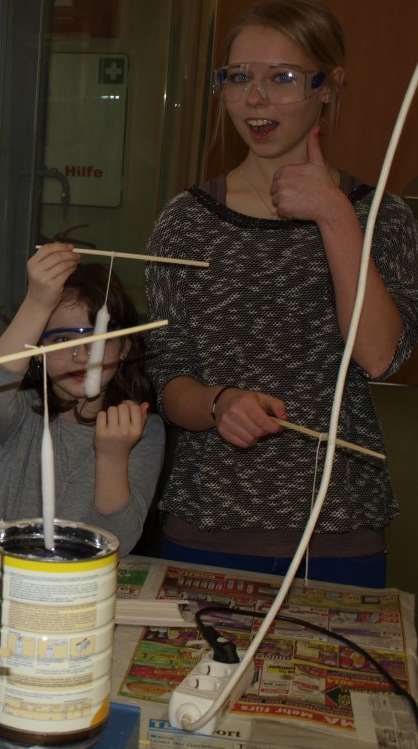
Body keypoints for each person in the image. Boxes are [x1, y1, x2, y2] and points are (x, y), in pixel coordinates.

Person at [144, 0, 418, 587]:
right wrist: (219, 403)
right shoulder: (184, 222)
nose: (256, 98)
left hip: (340, 533)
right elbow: (168, 381)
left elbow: (380, 355)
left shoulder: (383, 218)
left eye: (283, 78)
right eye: (239, 77)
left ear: (329, 86)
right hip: (206, 527)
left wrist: (334, 214)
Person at [0, 245, 165, 554]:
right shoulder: (21, 412)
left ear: (125, 348)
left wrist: (112, 457)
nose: (82, 356)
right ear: (36, 351)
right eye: (63, 340)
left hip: (83, 581)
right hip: (7, 576)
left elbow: (120, 542)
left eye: (98, 339)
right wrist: (36, 304)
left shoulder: (141, 428)